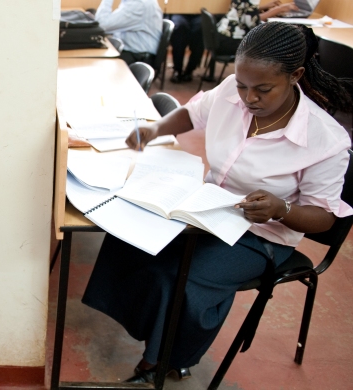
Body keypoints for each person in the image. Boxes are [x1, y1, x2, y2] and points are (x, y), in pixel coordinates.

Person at [82, 22, 353, 383]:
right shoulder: (231, 91)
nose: (248, 98)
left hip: (263, 234)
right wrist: (154, 129)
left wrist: (281, 209)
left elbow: (324, 219)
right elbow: (193, 114)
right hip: (208, 207)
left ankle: (166, 359)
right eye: (242, 85)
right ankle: (145, 331)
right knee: (129, 236)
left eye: (263, 89)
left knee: (184, 276)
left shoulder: (325, 141)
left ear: (296, 76)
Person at [204, 1, 298, 81]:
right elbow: (253, 23)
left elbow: (243, 10)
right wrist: (279, 9)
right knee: (268, 47)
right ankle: (263, 83)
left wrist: (264, 7)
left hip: (221, 38)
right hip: (230, 42)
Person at [95, 0, 162, 66]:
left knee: (97, 64)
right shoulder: (131, 2)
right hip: (132, 51)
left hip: (138, 57)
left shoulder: (139, 4)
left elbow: (101, 26)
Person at [169, 15, 203, 83]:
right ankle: (177, 70)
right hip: (180, 12)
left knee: (202, 27)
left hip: (199, 13)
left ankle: (190, 70)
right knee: (179, 27)